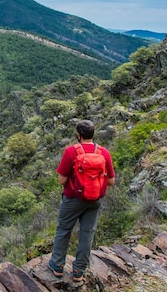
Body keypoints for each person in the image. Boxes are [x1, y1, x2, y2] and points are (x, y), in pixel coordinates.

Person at [48, 119, 115, 283]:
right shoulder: (103, 153)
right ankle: (79, 271)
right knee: (87, 234)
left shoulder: (71, 151)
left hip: (72, 199)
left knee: (64, 230)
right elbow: (112, 181)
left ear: (78, 135)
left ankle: (57, 266)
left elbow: (62, 180)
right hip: (95, 201)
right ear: (93, 134)